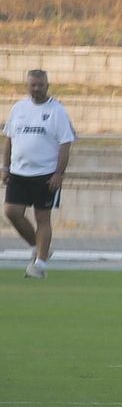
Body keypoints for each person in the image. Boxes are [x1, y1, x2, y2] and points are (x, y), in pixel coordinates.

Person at [2, 69, 76, 278]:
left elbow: (65, 143)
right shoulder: (18, 108)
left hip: (45, 174)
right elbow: (9, 139)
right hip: (19, 172)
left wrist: (59, 173)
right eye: (32, 85)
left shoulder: (57, 111)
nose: (36, 89)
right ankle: (39, 246)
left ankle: (40, 264)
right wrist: (5, 167)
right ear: (27, 86)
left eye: (40, 85)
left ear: (47, 86)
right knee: (11, 212)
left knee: (42, 218)